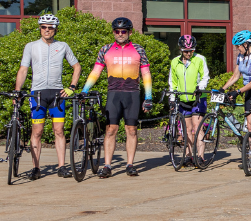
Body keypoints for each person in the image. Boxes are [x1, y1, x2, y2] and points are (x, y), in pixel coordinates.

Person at [81, 17, 152, 178]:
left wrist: (148, 97)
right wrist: (85, 90)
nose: (120, 34)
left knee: (131, 130)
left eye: (123, 31)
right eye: (117, 31)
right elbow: (96, 71)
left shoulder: (138, 49)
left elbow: (146, 73)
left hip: (132, 94)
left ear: (130, 32)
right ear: (113, 32)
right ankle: (107, 165)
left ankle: (130, 164)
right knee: (111, 130)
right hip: (113, 94)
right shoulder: (105, 49)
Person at [14, 14, 81, 179]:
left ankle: (61, 167)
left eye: (50, 28)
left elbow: (77, 67)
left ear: (55, 29)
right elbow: (23, 69)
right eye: (44, 27)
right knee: (37, 131)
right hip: (37, 94)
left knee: (59, 130)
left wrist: (72, 87)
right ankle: (36, 168)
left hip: (57, 94)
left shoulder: (63, 46)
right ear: (40, 28)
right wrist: (17, 90)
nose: (47, 30)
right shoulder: (31, 46)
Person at [168, 35, 210, 166]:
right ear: (180, 49)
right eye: (185, 51)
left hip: (198, 98)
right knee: (187, 129)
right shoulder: (175, 62)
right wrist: (172, 98)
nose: (188, 53)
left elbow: (205, 76)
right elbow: (173, 81)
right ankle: (188, 156)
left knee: (198, 128)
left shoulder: (200, 59)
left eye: (191, 50)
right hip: (183, 99)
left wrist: (200, 88)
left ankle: (201, 157)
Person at [221, 31, 251, 143]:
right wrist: (223, 88)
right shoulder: (241, 56)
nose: (238, 48)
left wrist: (237, 92)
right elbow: (235, 76)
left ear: (246, 44)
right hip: (248, 91)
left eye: (239, 46)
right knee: (249, 126)